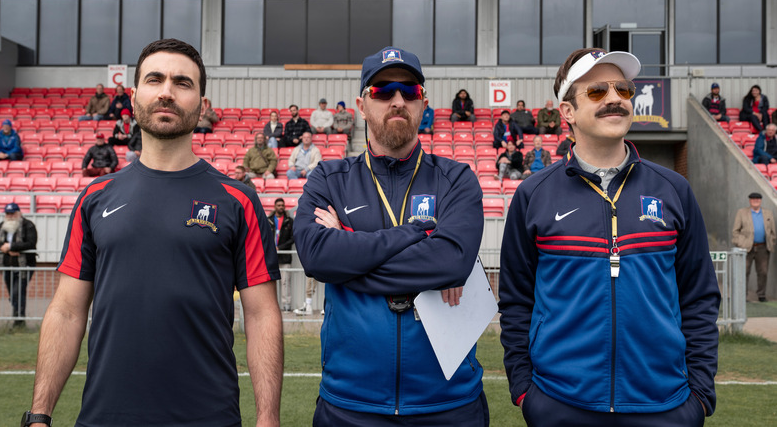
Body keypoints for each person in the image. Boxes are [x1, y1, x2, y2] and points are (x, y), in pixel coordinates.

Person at [27, 38, 282, 427]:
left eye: (182, 83)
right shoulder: (95, 198)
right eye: (155, 79)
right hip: (104, 418)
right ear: (134, 96)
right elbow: (66, 311)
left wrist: (268, 419)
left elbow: (262, 314)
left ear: (201, 102)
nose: (166, 92)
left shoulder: (238, 200)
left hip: (208, 417)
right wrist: (39, 415)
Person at [499, 48, 720, 426]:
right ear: (567, 112)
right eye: (598, 91)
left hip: (665, 406)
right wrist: (525, 391)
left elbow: (699, 298)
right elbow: (517, 301)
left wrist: (698, 394)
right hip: (559, 404)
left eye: (624, 89)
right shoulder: (533, 195)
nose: (616, 98)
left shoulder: (674, 189)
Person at [293, 46, 488, 426]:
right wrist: (415, 235)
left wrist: (348, 255)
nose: (397, 100)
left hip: (448, 406)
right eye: (382, 91)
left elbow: (450, 262)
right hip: (351, 405)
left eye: (409, 91)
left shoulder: (456, 178)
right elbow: (318, 258)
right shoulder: (328, 178)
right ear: (361, 106)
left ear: (423, 103)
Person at [0, 203, 37, 330]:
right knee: (13, 293)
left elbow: (31, 243)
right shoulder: (1, 226)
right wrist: (5, 249)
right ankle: (18, 317)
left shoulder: (28, 225)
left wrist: (12, 247)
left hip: (24, 265)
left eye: (12, 213)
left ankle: (19, 321)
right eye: (8, 213)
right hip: (7, 265)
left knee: (17, 292)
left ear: (18, 213)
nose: (10, 216)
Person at [733, 192, 776, 302]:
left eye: (757, 199)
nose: (755, 200)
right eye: (753, 199)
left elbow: (772, 231)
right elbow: (735, 231)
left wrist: (771, 241)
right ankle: (743, 296)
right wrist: (741, 243)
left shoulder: (768, 213)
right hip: (746, 248)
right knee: (744, 272)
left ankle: (761, 295)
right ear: (749, 200)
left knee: (763, 272)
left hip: (763, 248)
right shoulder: (742, 213)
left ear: (761, 200)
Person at [267, 198, 295, 311]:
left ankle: (286, 305)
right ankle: (270, 306)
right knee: (270, 283)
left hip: (285, 256)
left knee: (285, 283)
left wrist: (280, 247)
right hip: (271, 257)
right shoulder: (268, 220)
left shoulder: (289, 221)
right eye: (279, 205)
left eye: (282, 205)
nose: (281, 207)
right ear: (275, 207)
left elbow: (293, 238)